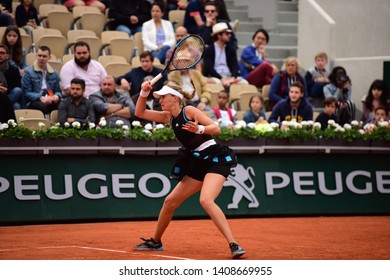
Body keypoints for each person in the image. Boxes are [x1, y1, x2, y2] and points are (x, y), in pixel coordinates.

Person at [133, 80, 246, 259]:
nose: (160, 100)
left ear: (176, 98)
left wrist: (199, 128)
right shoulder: (168, 117)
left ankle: (234, 244)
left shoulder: (189, 111)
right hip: (198, 161)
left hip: (216, 159)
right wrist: (143, 92)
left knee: (206, 200)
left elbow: (215, 128)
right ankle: (156, 241)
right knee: (170, 202)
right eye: (159, 97)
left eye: (164, 96)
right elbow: (139, 112)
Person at [203, 22, 247, 89]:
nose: (229, 35)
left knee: (245, 83)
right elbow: (209, 69)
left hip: (230, 76)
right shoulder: (209, 50)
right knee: (208, 81)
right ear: (219, 35)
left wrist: (233, 78)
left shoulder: (231, 49)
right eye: (227, 33)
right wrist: (222, 79)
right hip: (215, 77)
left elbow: (235, 66)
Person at [22, 46, 62, 114]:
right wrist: (40, 97)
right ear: (36, 56)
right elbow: (26, 93)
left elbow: (58, 91)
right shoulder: (28, 72)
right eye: (39, 56)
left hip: (50, 98)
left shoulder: (54, 72)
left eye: (44, 56)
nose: (41, 58)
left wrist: (57, 96)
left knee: (63, 104)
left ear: (49, 58)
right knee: (42, 106)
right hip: (34, 100)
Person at [0, 44, 23, 110]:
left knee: (17, 92)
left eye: (2, 53)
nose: (0, 55)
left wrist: (7, 90)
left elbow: (18, 86)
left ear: (7, 56)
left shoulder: (14, 70)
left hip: (9, 96)